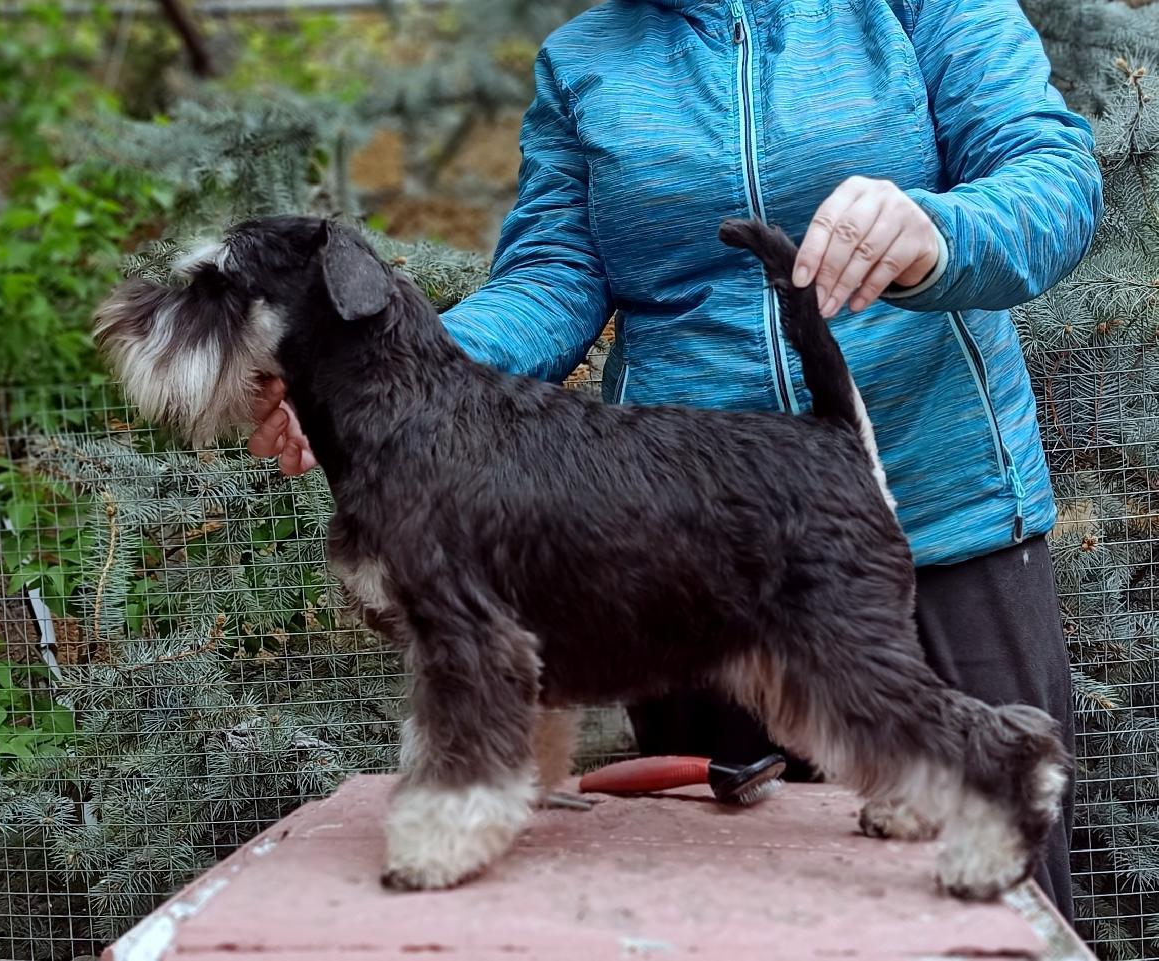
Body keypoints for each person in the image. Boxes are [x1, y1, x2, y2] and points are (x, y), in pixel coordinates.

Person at [250, 0, 1103, 920]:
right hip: (663, 539)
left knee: (997, 907)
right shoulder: (584, 57)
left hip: (947, 504)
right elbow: (553, 275)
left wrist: (940, 232)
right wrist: (387, 375)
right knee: (705, 902)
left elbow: (1053, 178)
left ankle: (993, 772)